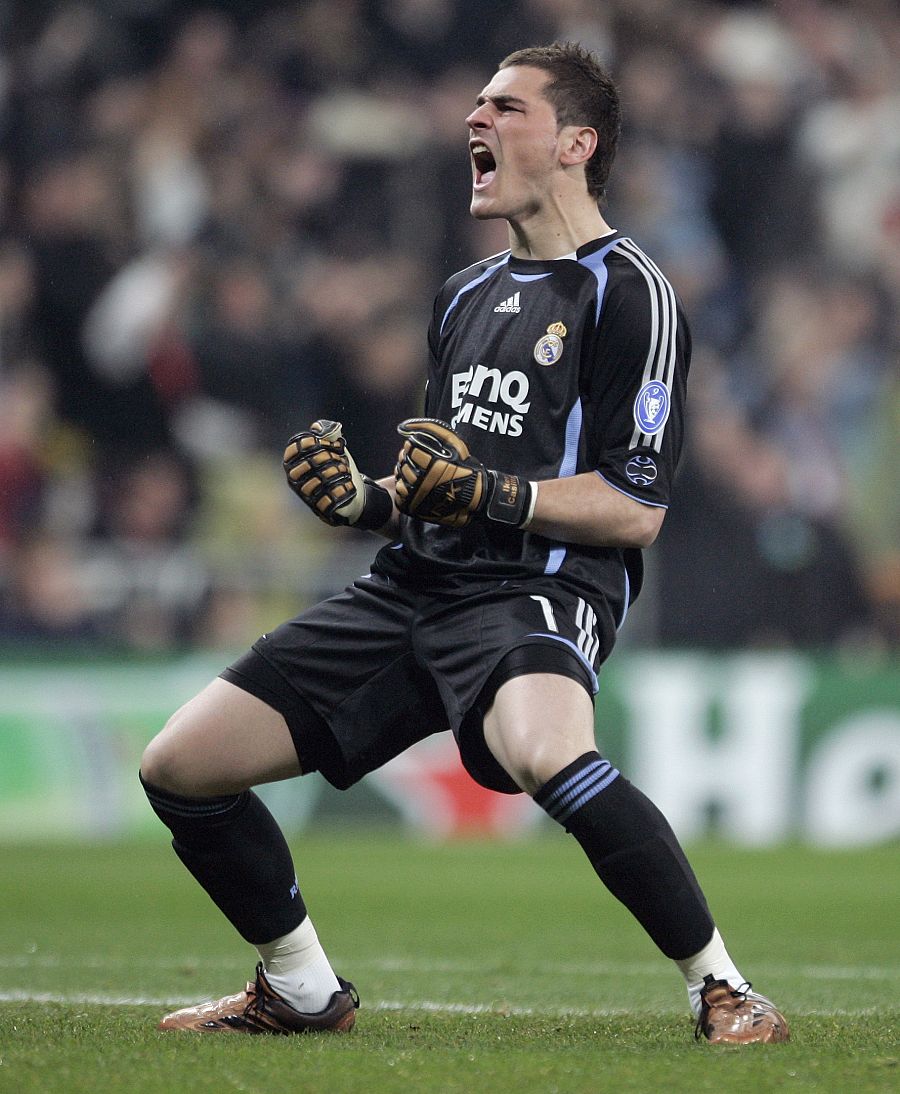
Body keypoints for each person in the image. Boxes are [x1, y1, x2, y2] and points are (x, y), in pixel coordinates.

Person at [140, 42, 789, 1045]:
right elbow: (429, 486)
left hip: (534, 589)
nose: (474, 121)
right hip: (412, 586)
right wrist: (363, 498)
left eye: (506, 106)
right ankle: (302, 986)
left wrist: (489, 491)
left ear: (575, 143)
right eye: (477, 104)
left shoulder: (632, 293)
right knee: (179, 764)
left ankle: (725, 985)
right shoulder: (463, 295)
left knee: (545, 750)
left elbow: (636, 506)